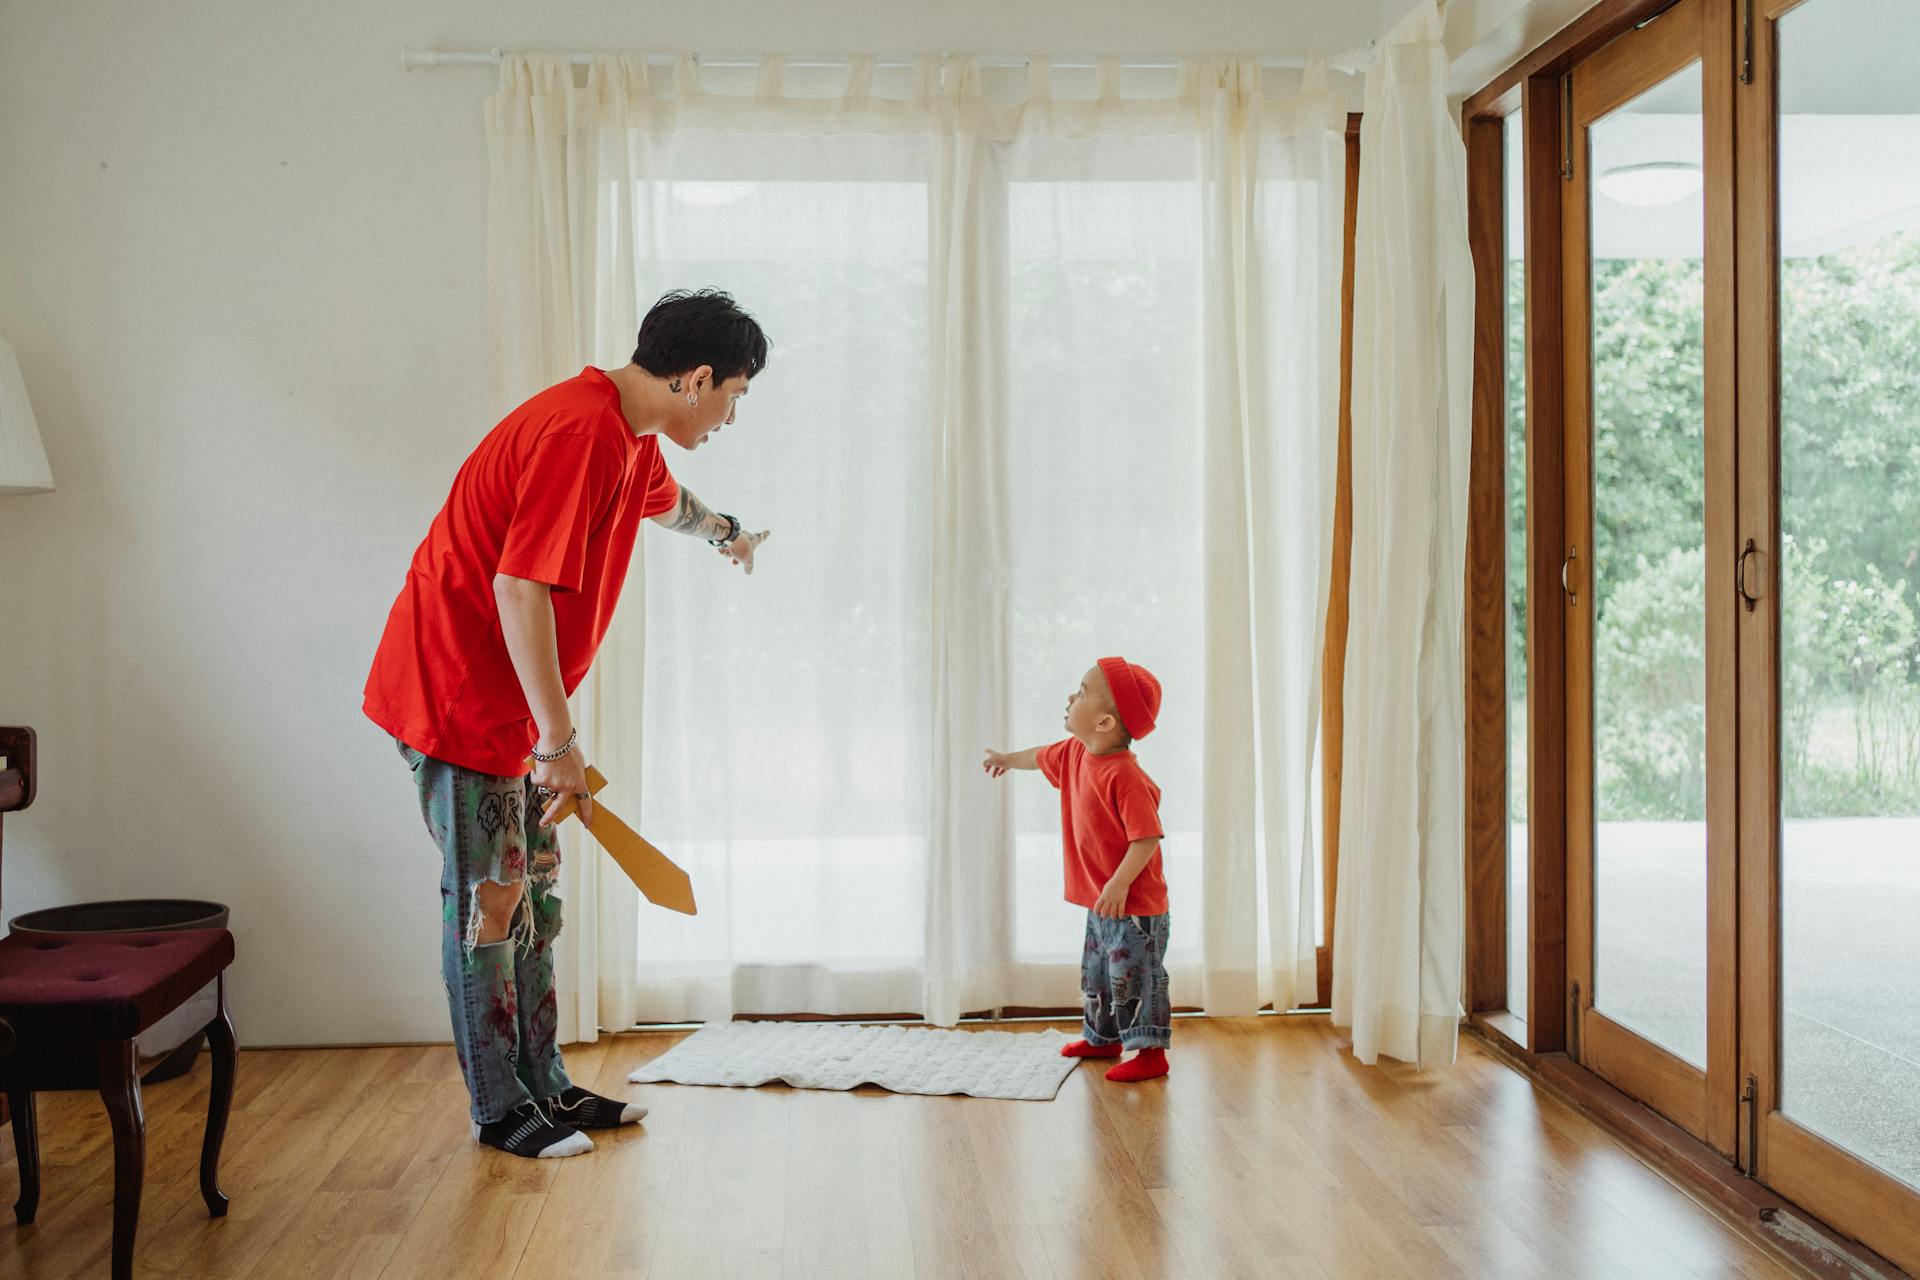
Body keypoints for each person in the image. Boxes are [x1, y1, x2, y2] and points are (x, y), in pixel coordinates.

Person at [364, 290, 772, 1157]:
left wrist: (728, 533)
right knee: (490, 902)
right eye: (734, 395)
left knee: (535, 898)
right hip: (458, 699)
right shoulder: (579, 433)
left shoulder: (627, 435)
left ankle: (545, 1086)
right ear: (696, 379)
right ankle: (498, 1109)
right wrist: (558, 743)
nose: (732, 413)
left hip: (512, 709)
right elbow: (520, 588)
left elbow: (668, 505)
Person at [982, 658, 1171, 1082]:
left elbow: (1146, 837)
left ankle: (1150, 1052)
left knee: (1134, 978)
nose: (1071, 696)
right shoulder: (1074, 753)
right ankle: (1102, 1038)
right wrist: (1007, 759)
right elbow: (1038, 755)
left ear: (1104, 721)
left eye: (1082, 691)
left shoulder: (1126, 776)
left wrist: (1120, 883)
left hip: (1135, 908)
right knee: (1099, 973)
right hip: (1102, 901)